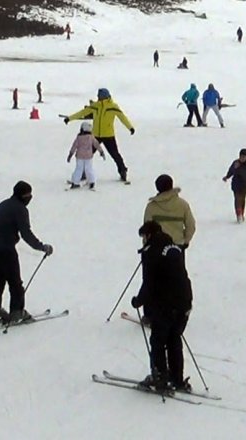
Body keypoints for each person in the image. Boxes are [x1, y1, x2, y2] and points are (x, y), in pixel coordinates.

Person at [131, 221, 193, 392]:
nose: (143, 241)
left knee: (158, 341)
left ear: (149, 235)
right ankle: (177, 378)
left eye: (143, 237)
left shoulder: (152, 252)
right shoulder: (174, 248)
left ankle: (160, 377)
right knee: (174, 339)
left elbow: (149, 282)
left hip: (165, 303)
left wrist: (139, 301)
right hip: (184, 301)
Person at [0, 181, 54, 324]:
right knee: (15, 282)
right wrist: (42, 247)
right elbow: (26, 233)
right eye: (29, 194)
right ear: (23, 195)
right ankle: (17, 312)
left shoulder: (3, 204)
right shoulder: (20, 209)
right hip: (5, 249)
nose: (30, 197)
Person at [64, 88, 135, 182]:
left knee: (115, 154)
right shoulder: (95, 106)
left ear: (104, 97)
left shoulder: (113, 107)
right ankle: (82, 173)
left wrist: (130, 127)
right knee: (86, 155)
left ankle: (122, 171)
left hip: (108, 135)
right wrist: (70, 118)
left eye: (99, 96)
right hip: (95, 135)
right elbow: (82, 112)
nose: (97, 98)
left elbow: (122, 118)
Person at [144, 174, 196, 250]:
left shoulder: (151, 207)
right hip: (177, 247)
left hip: (157, 247)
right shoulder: (183, 204)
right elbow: (191, 226)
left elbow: (146, 230)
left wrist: (147, 244)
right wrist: (185, 241)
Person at [67, 121, 105, 190]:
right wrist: (101, 152)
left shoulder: (79, 137)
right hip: (88, 157)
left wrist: (70, 154)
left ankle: (75, 182)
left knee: (78, 169)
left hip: (79, 157)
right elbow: (96, 144)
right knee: (89, 169)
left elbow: (74, 146)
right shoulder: (91, 137)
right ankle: (92, 182)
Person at [222, 148, 246, 223]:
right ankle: (238, 215)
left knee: (242, 200)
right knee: (237, 199)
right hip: (236, 185)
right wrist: (227, 176)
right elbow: (231, 171)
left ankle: (242, 213)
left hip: (244, 186)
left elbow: (245, 175)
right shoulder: (236, 163)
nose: (242, 158)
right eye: (241, 156)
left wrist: (237, 169)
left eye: (244, 157)